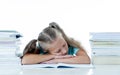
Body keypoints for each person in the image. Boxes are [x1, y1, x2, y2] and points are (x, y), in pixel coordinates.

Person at [20, 22, 90, 65]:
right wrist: (53, 56)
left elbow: (86, 59)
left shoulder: (71, 47)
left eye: (64, 45)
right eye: (58, 51)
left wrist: (57, 60)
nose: (64, 51)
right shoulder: (41, 52)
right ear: (46, 51)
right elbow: (25, 60)